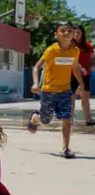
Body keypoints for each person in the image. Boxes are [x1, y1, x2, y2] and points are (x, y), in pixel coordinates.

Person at [28, 21, 85, 159]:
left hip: (65, 90)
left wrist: (81, 84)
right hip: (48, 90)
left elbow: (74, 67)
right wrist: (36, 83)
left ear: (73, 34)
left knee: (67, 118)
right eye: (63, 31)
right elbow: (37, 67)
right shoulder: (52, 50)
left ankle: (66, 148)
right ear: (56, 34)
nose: (66, 33)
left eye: (69, 31)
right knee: (46, 120)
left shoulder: (75, 51)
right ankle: (35, 117)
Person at [70, 25, 94, 126]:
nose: (76, 35)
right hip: (72, 74)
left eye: (78, 33)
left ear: (82, 33)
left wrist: (91, 67)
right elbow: (71, 60)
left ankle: (88, 119)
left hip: (85, 75)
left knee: (85, 98)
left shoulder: (88, 45)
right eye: (74, 33)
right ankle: (69, 120)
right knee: (72, 98)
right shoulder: (70, 45)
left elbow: (92, 60)